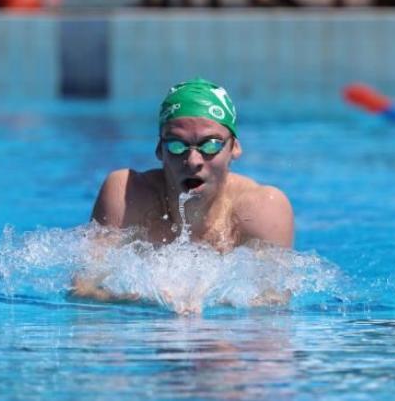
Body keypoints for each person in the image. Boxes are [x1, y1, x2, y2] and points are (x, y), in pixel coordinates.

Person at [72, 78, 294, 309]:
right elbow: (82, 289)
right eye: (177, 145)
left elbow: (273, 306)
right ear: (160, 149)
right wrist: (139, 303)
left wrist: (219, 306)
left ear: (234, 147)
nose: (193, 161)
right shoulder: (127, 195)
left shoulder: (263, 208)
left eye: (210, 145)